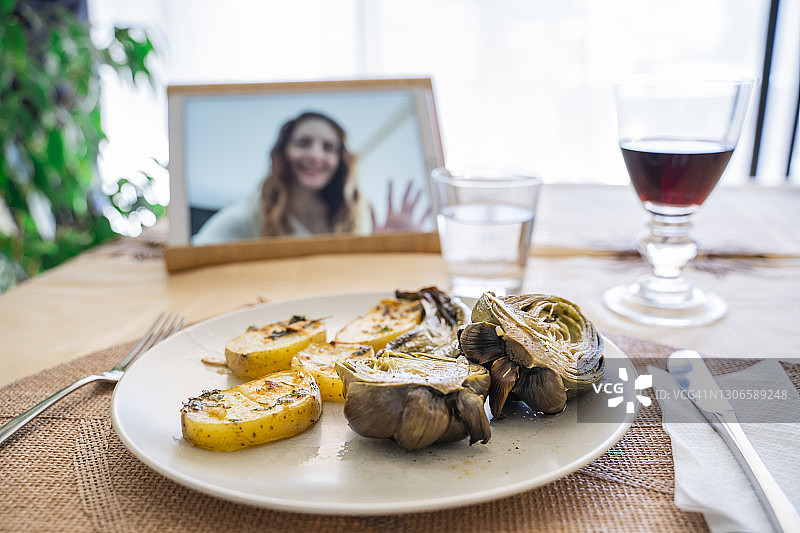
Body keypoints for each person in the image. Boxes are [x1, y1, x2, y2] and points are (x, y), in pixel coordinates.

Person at [192, 111, 427, 245]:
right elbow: (191, 255)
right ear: (282, 153)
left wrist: (395, 249)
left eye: (328, 148)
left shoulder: (356, 214)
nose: (315, 155)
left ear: (340, 160)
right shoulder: (249, 216)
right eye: (303, 143)